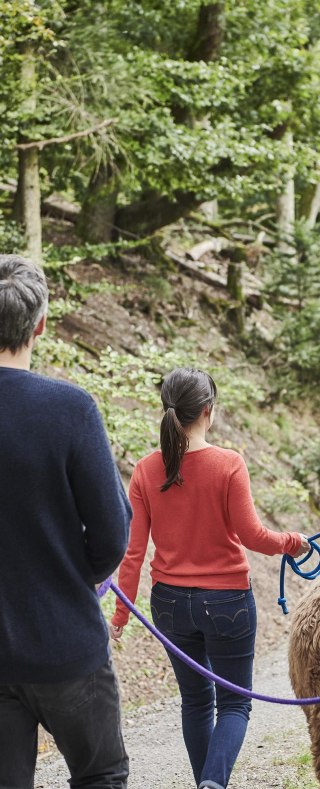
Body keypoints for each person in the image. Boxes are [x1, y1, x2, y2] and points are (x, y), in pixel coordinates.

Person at [110, 367, 310, 789]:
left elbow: (133, 552)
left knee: (196, 701)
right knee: (235, 704)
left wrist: (120, 616)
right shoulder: (228, 463)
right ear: (207, 410)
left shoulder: (146, 470)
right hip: (227, 604)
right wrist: (294, 542)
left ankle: (206, 783)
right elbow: (254, 536)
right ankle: (213, 783)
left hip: (168, 605)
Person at [0, 254, 132, 788]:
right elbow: (111, 534)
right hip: (66, 647)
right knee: (101, 775)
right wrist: (76, 575)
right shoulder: (71, 409)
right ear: (41, 325)